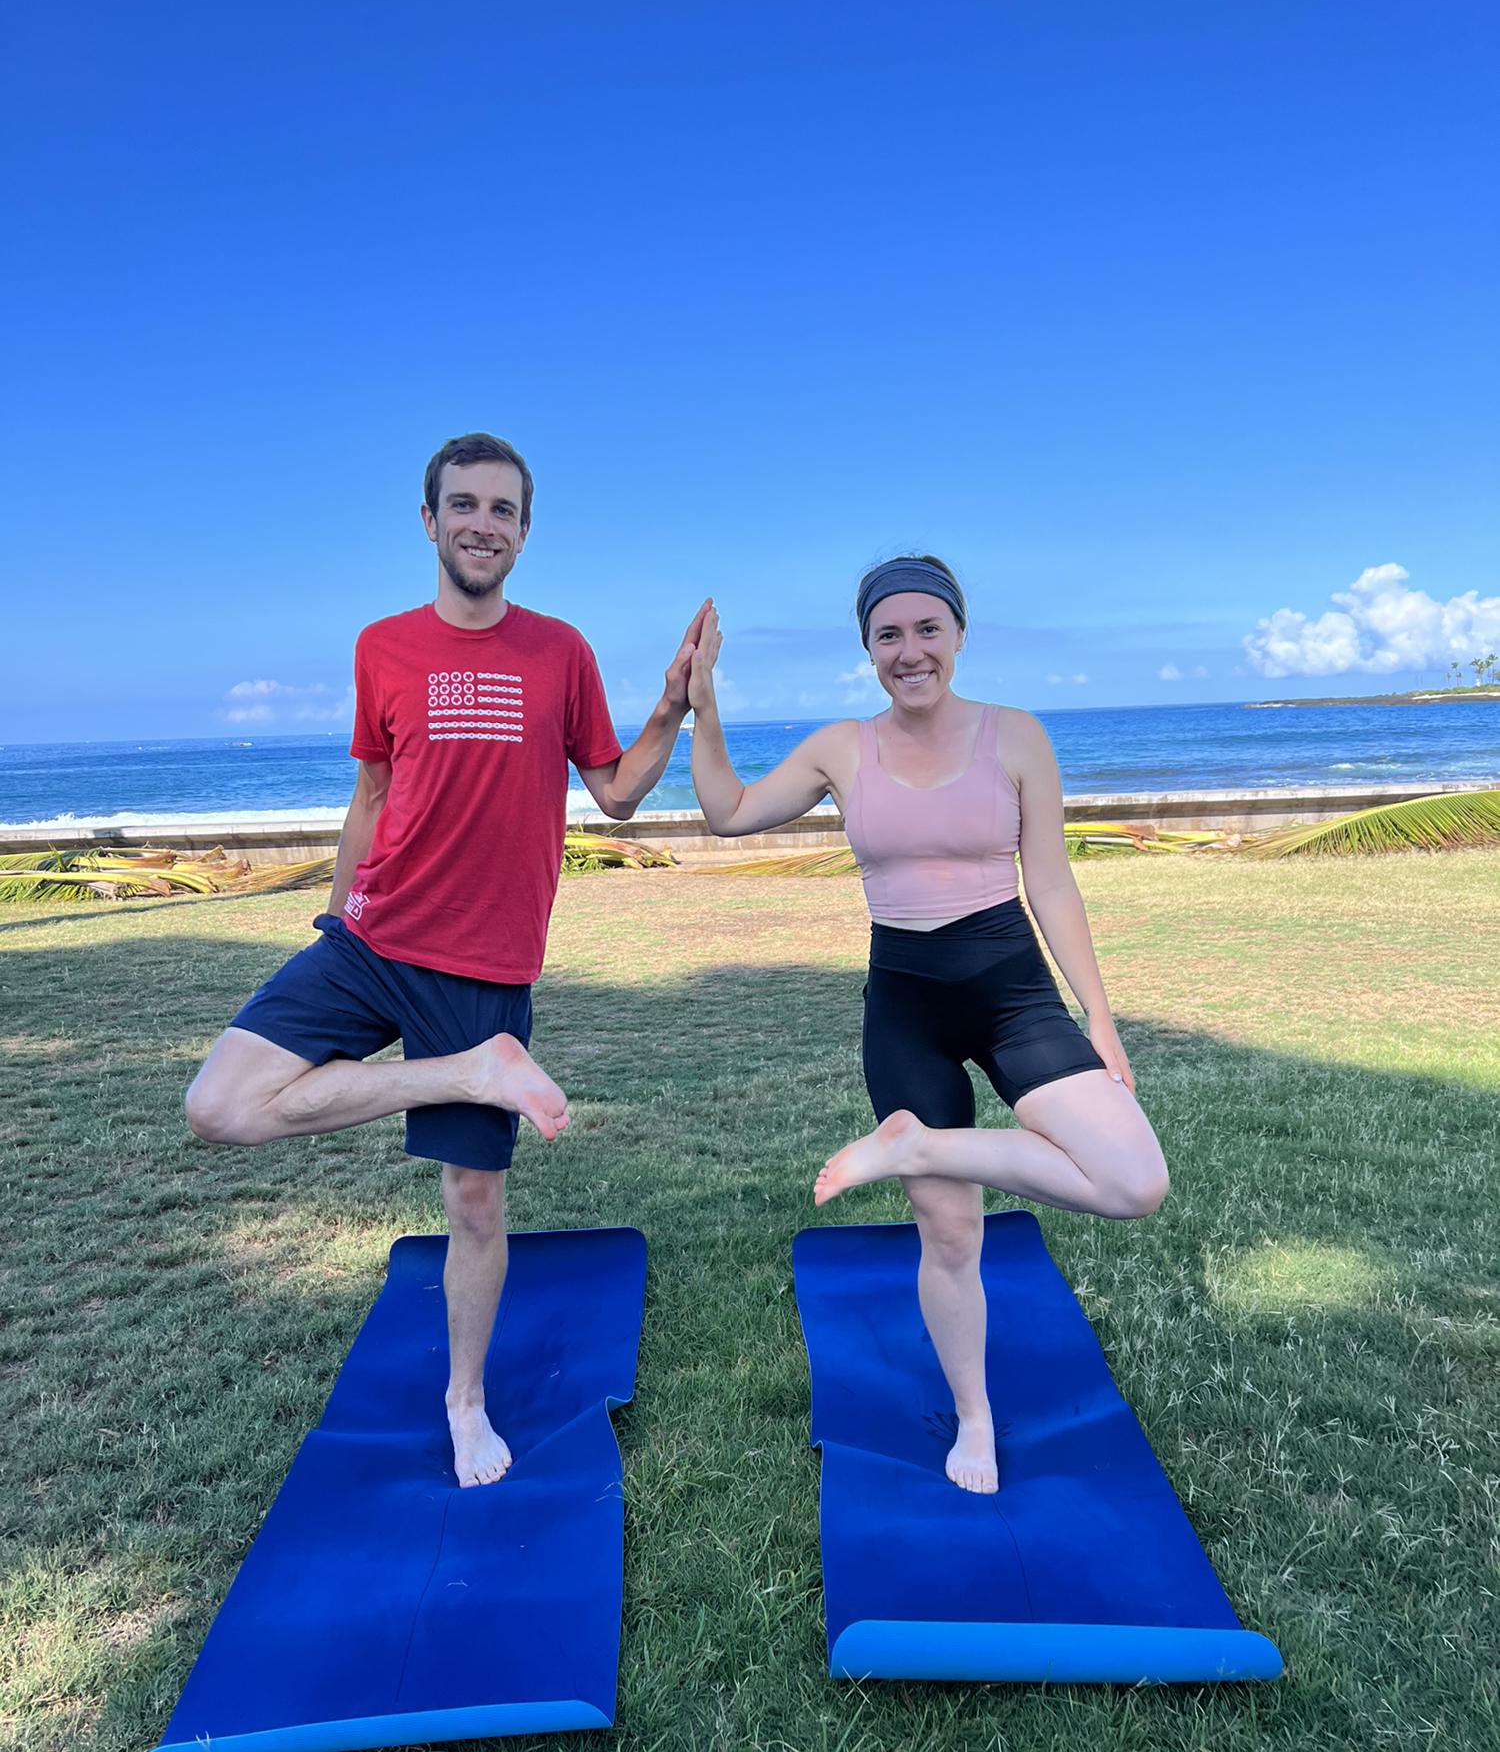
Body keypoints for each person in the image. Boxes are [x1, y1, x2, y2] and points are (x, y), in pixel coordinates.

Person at [186, 432, 707, 1488]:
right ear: (429, 520)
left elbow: (613, 790)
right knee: (221, 1106)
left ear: (523, 530)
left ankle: (465, 1400)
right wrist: (334, 916)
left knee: (473, 1202)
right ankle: (470, 1073)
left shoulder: (560, 651)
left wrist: (673, 707)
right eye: (462, 504)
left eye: (502, 508)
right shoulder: (383, 645)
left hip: (484, 967)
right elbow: (372, 794)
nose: (482, 522)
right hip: (372, 939)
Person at [687, 556, 1168, 1495]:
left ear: (958, 633)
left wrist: (1100, 1024)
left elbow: (1053, 885)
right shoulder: (842, 748)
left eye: (927, 629)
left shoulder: (1016, 736)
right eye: (888, 635)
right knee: (950, 1236)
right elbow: (728, 812)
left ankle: (917, 1144)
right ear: (868, 648)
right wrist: (705, 701)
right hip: (904, 999)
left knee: (1134, 1181)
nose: (911, 651)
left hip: (1013, 988)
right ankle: (975, 1419)